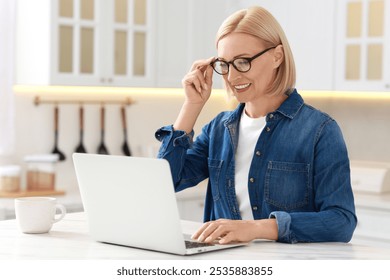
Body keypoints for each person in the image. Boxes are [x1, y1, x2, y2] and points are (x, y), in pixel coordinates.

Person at [155, 6, 357, 244]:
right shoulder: (218, 130)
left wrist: (257, 228)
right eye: (225, 64)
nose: (231, 77)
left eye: (243, 62)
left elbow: (341, 221)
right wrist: (192, 105)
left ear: (277, 56)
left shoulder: (319, 130)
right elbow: (165, 183)